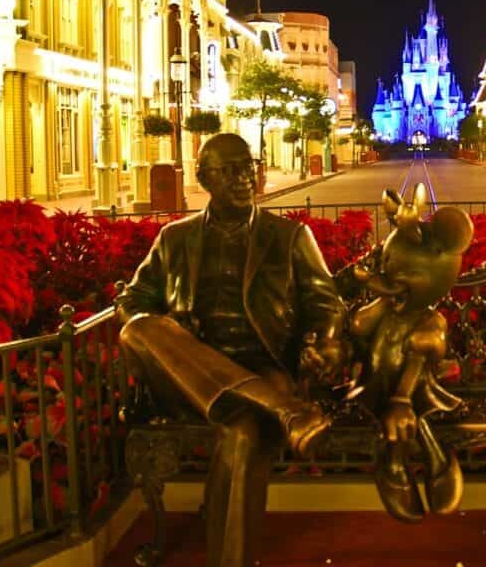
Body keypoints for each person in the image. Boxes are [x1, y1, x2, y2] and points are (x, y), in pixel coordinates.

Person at [117, 133, 348, 567]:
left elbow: (327, 303)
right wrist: (172, 327)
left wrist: (323, 340)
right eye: (230, 171)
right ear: (205, 179)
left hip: (265, 367)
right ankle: (287, 411)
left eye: (248, 167)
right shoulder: (174, 238)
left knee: (241, 433)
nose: (244, 178)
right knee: (139, 328)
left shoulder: (289, 236)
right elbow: (132, 301)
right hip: (188, 377)